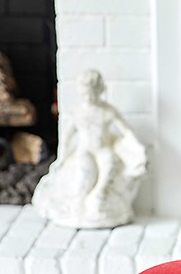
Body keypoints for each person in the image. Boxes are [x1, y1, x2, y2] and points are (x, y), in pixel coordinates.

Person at [32, 69, 147, 228]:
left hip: (102, 149)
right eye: (85, 94)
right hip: (84, 150)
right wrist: (62, 157)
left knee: (109, 163)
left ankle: (99, 193)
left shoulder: (107, 111)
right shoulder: (79, 111)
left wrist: (136, 146)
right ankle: (79, 204)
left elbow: (126, 131)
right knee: (85, 171)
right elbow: (67, 137)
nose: (88, 97)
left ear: (99, 90)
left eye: (91, 93)